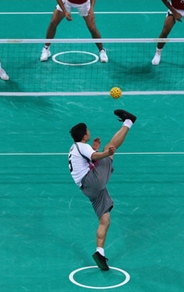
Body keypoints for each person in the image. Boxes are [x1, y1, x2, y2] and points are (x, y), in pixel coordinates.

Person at [68, 109, 137, 270]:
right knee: (110, 147)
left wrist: (96, 150)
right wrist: (105, 153)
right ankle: (129, 121)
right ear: (84, 135)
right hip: (92, 181)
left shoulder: (75, 148)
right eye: (87, 131)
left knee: (104, 220)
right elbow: (94, 158)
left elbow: (87, 162)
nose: (89, 132)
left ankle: (99, 252)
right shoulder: (81, 146)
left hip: (88, 189)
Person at [40, 0, 108, 63]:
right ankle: (46, 49)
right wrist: (65, 11)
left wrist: (91, 9)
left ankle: (102, 50)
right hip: (67, 1)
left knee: (92, 28)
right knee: (53, 22)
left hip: (84, 3)